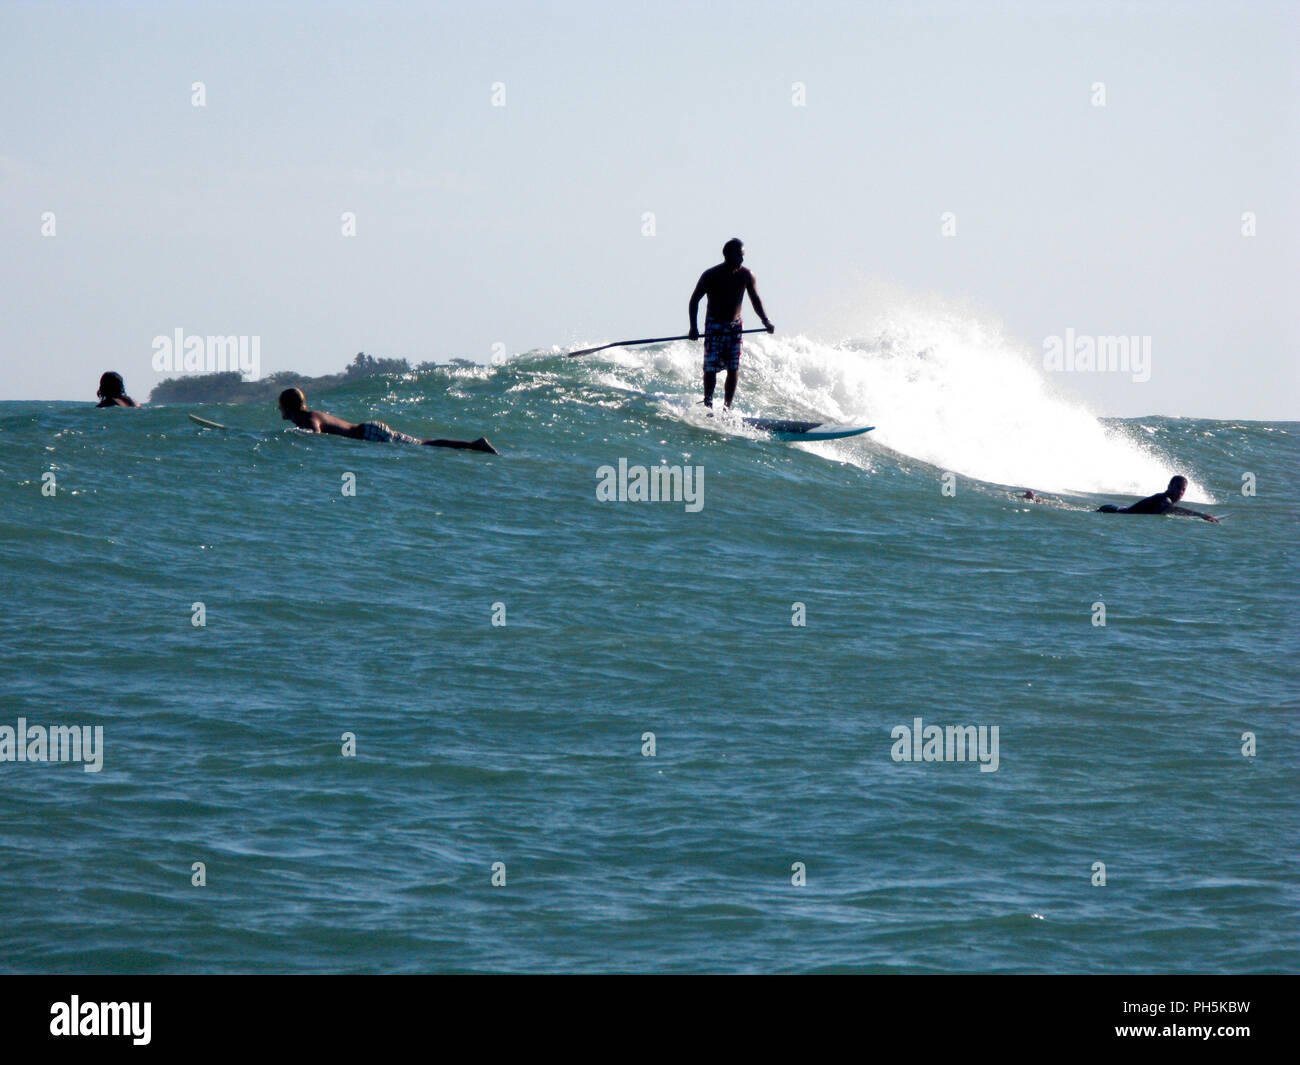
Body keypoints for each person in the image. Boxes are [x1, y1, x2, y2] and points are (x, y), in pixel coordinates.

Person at [687, 238, 774, 409]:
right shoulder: (711, 275)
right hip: (714, 326)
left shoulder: (746, 275)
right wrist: (693, 328)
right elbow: (694, 301)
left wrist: (765, 321)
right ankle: (708, 403)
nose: (742, 259)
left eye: (743, 256)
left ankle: (727, 407)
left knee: (733, 368)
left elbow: (755, 299)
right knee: (710, 368)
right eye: (739, 256)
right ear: (727, 255)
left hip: (735, 327)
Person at [276, 388, 497, 453]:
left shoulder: (307, 418)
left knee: (424, 444)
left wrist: (300, 437)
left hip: (369, 434)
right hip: (370, 430)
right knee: (424, 442)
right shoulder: (311, 413)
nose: (279, 410)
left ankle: (474, 445)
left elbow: (315, 432)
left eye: (280, 405)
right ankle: (473, 445)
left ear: (288, 406)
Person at [1098, 476, 1218, 522]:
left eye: (1183, 489)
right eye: (1178, 488)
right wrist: (1200, 515)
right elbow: (1172, 509)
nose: (1181, 492)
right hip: (1111, 511)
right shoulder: (1163, 499)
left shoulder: (1165, 501)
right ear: (1169, 487)